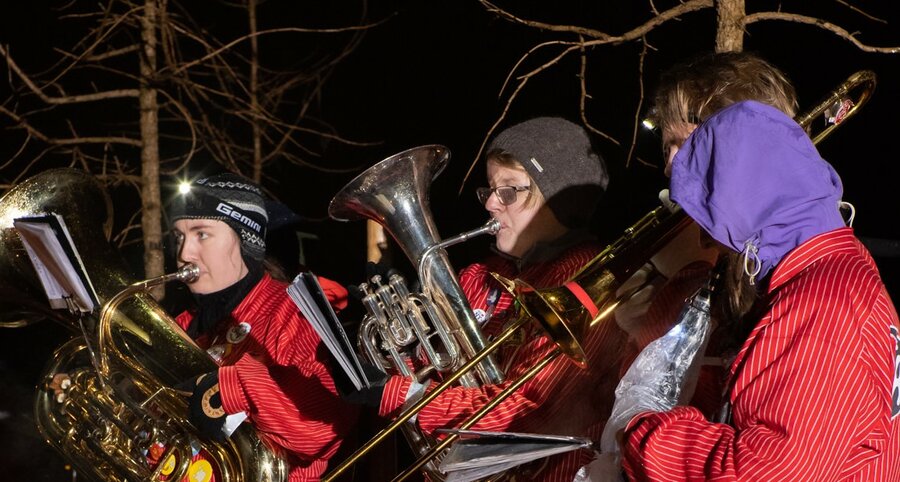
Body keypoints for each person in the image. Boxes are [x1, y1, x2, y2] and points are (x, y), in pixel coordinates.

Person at [621, 99, 900, 480]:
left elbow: (761, 472)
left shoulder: (822, 301)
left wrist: (639, 432)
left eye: (712, 220)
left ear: (748, 204)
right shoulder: (837, 267)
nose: (709, 243)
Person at [340, 117, 629, 481]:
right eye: (490, 189)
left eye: (509, 190)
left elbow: (532, 410)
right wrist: (396, 351)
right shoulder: (481, 276)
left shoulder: (587, 281)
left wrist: (402, 395)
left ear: (556, 197)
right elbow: (439, 372)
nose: (491, 203)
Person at [614, 51, 802, 419]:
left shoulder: (809, 281)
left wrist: (641, 436)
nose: (669, 167)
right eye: (666, 149)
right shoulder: (693, 282)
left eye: (682, 145)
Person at [166, 173, 359, 482]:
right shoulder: (182, 326)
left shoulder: (295, 310)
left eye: (201, 234)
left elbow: (320, 427)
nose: (184, 253)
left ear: (245, 240)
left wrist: (232, 386)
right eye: (178, 236)